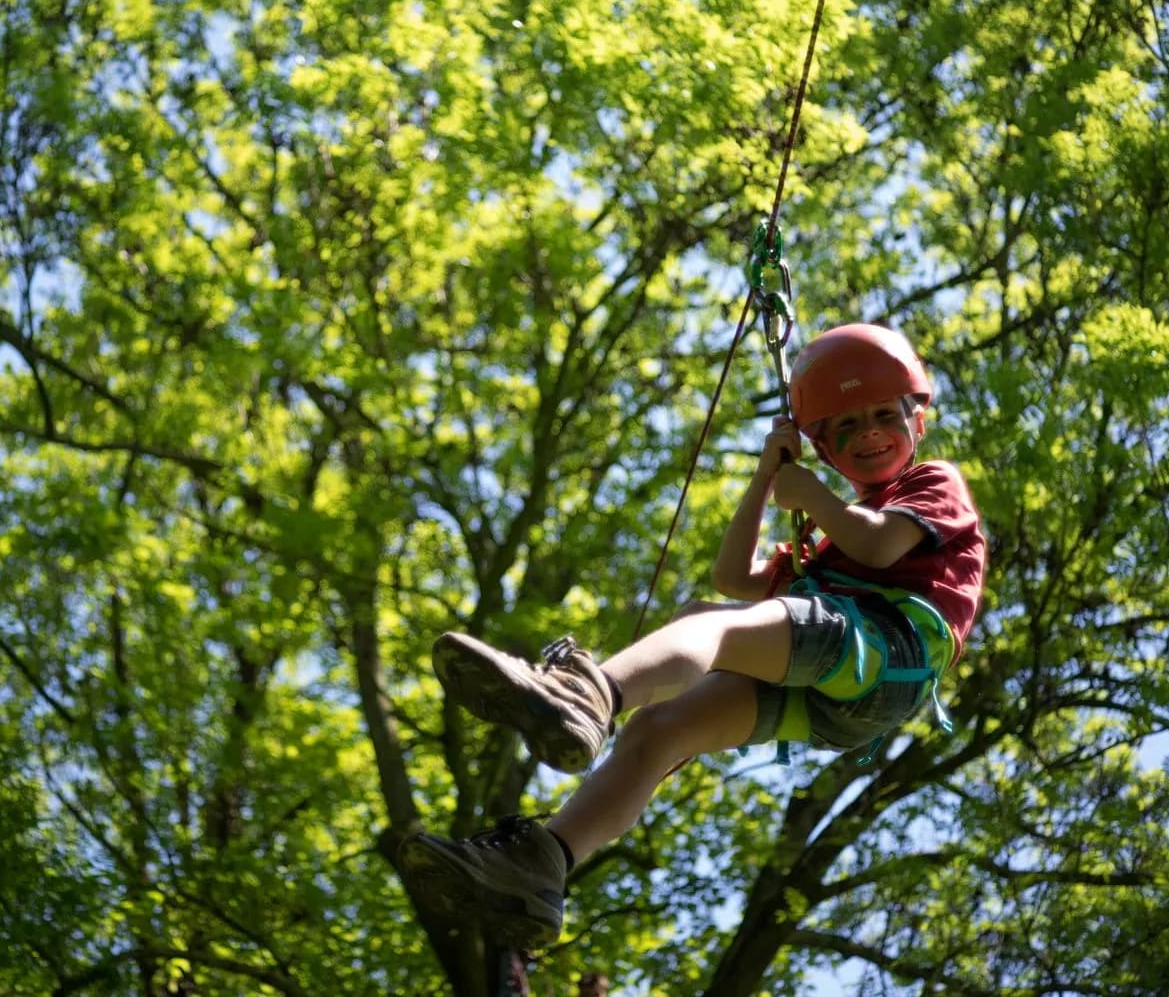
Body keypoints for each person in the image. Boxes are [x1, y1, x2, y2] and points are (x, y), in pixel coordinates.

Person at [398, 323, 987, 948]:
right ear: (820, 444)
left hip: (888, 646)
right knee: (664, 717)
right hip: (837, 701)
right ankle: (544, 865)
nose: (867, 431)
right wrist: (767, 477)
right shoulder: (825, 543)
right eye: (844, 424)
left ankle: (587, 695)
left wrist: (812, 495)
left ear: (916, 420)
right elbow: (732, 577)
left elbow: (876, 544)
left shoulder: (930, 484)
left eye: (881, 414)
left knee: (713, 629)